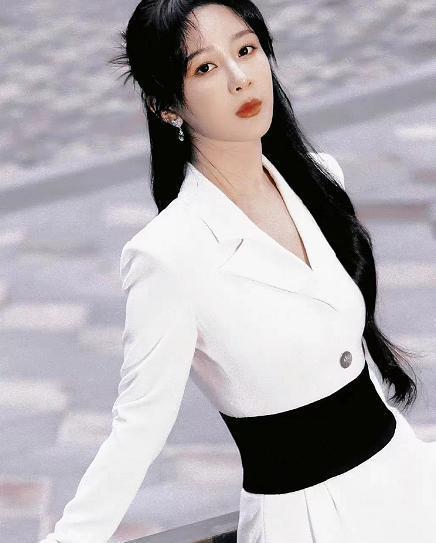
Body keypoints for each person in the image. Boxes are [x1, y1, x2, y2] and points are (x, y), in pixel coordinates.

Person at [39, 1, 436, 542]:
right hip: (308, 520)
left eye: (246, 50)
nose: (239, 77)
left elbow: (348, 356)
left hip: (406, 481)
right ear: (166, 105)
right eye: (204, 67)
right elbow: (137, 429)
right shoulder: (168, 256)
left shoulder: (319, 180)